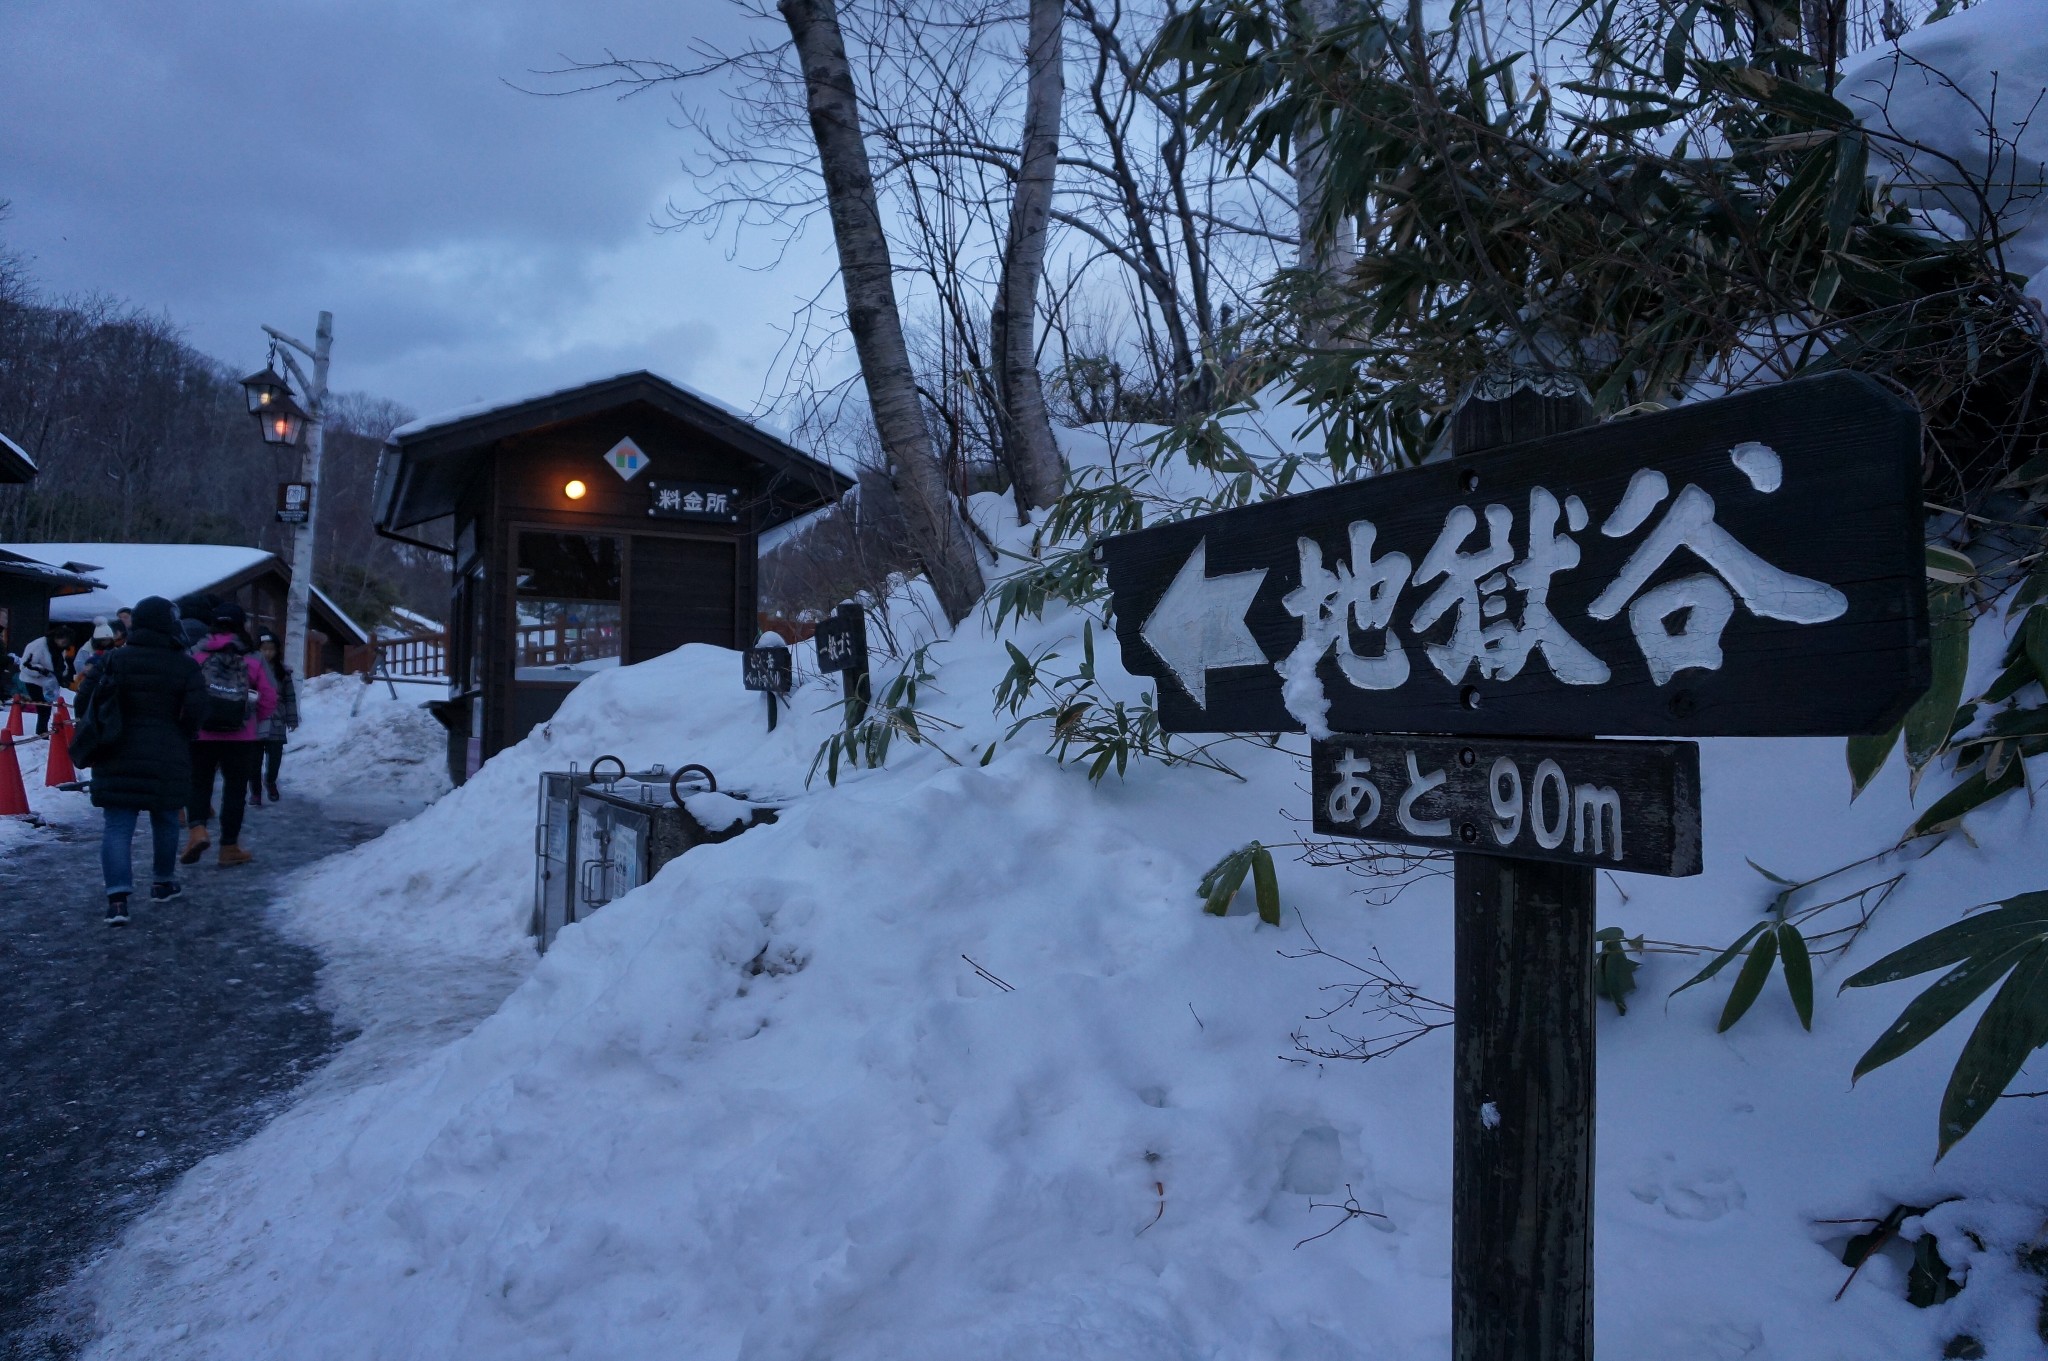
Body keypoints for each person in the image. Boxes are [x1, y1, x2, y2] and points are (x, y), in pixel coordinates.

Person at [75, 596, 207, 926]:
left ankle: (117, 901)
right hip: (167, 752)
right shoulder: (185, 665)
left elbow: (82, 703)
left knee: (118, 826)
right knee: (164, 820)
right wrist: (181, 733)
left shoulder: (113, 660)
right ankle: (163, 883)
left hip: (115, 750)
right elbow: (196, 713)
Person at [182, 604, 276, 868]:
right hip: (240, 736)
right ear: (241, 625)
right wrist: (253, 719)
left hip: (201, 734)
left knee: (199, 784)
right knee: (235, 792)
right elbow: (269, 696)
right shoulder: (253, 657)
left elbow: (185, 691)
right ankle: (229, 847)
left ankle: (197, 830)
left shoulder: (197, 654)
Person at [248, 629, 298, 805]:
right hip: (255, 719)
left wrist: (292, 718)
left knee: (275, 756)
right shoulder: (250, 669)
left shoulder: (283, 672)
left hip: (277, 720)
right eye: (264, 649)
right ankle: (255, 791)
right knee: (254, 760)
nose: (268, 653)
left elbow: (290, 697)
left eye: (271, 649)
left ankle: (270, 781)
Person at [19, 619, 69, 736]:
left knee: (47, 706)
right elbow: (25, 665)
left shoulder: (59, 648)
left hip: (49, 681)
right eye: (63, 640)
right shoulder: (38, 645)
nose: (64, 643)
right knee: (43, 708)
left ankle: (43, 732)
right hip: (33, 680)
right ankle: (42, 733)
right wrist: (42, 671)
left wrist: (62, 673)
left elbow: (61, 663)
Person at [74, 617, 118, 687]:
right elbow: (78, 665)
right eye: (103, 640)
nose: (106, 642)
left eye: (108, 640)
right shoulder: (86, 649)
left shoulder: (113, 650)